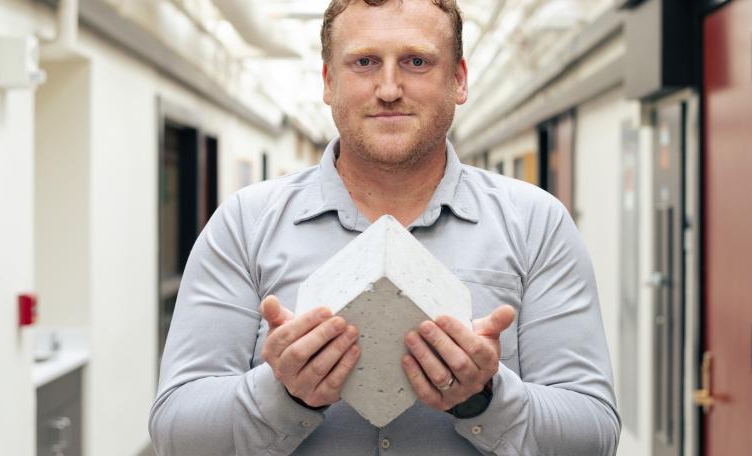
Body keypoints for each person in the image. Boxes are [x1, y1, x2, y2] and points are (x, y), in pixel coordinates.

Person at [149, 0, 620, 454]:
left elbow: (593, 435)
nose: (389, 88)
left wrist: (485, 399)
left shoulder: (537, 224)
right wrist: (284, 394)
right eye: (364, 63)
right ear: (329, 82)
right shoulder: (244, 225)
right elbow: (176, 435)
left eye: (416, 61)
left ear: (458, 79)